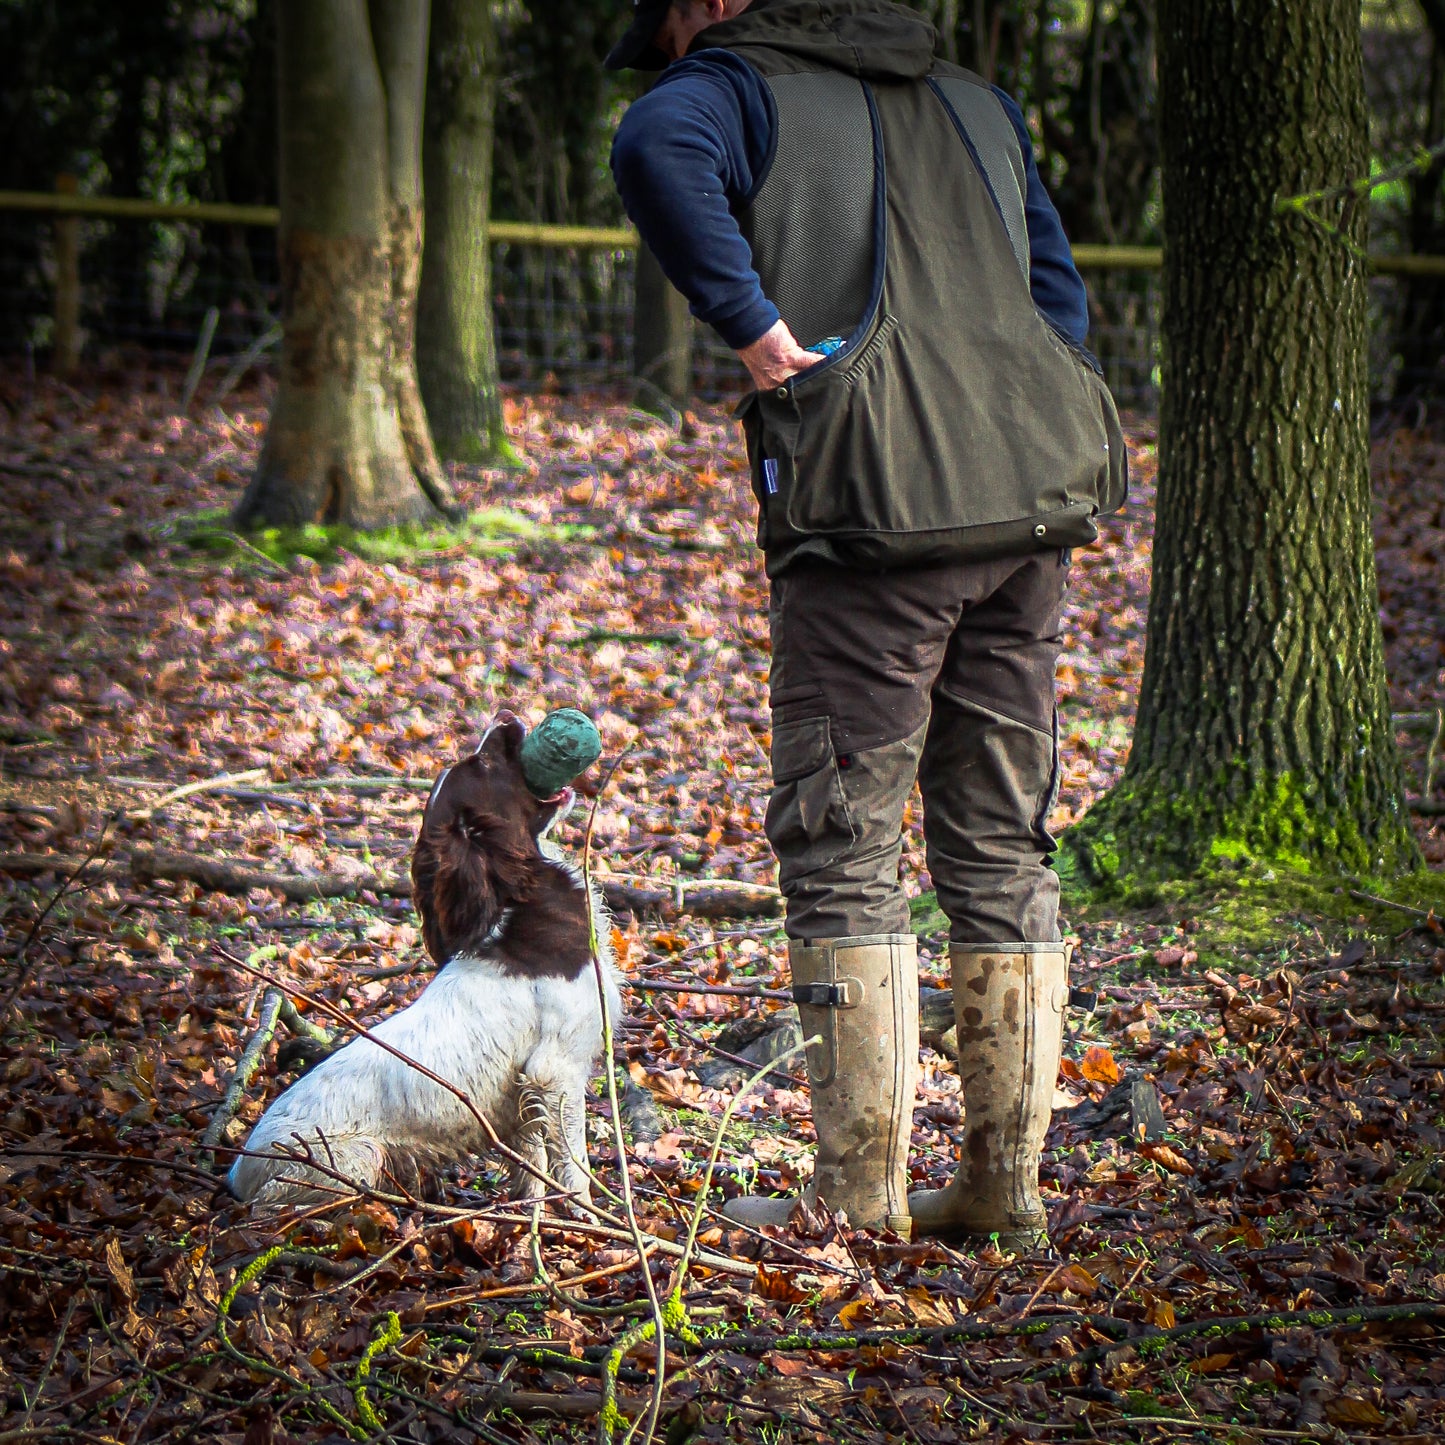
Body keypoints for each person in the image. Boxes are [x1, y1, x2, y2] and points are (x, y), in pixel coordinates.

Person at [605, 0, 1125, 1250]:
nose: (674, 51)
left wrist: (759, 334)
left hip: (875, 521)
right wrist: (1016, 388)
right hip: (1031, 507)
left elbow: (651, 148)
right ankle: (1003, 1195)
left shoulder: (728, 88)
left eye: (670, 25)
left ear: (712, 3)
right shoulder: (971, 97)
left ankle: (854, 1202)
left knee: (841, 842)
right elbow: (1061, 297)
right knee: (1002, 844)